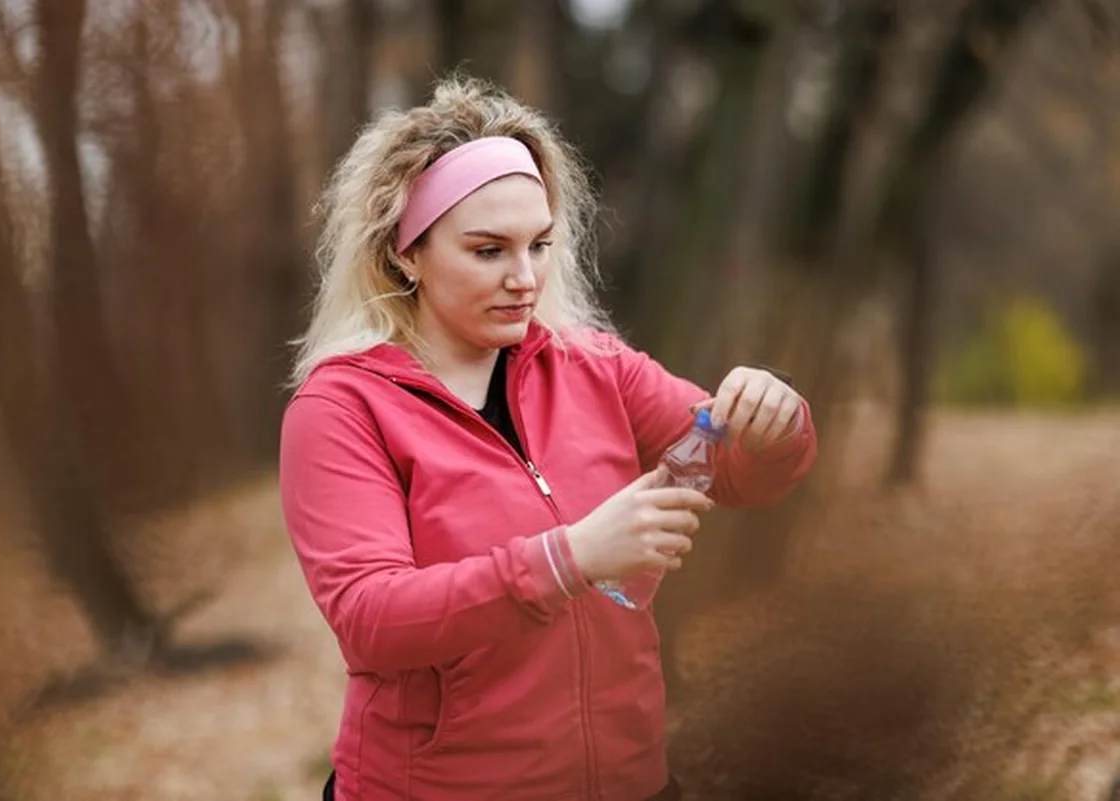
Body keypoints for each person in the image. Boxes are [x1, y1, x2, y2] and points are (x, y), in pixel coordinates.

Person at [278, 75, 818, 801]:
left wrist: (773, 416)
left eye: (539, 244)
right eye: (489, 250)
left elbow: (732, 468)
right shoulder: (342, 406)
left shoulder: (595, 367)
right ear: (406, 253)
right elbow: (373, 617)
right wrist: (570, 558)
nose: (525, 278)